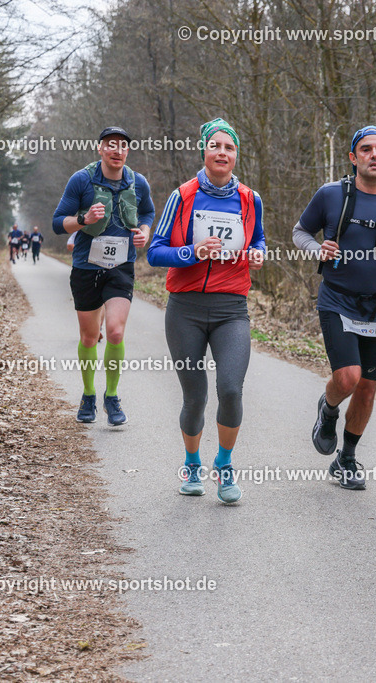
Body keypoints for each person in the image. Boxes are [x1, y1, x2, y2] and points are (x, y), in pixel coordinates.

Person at [147, 118, 265, 503]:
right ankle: (193, 463)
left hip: (232, 308)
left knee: (230, 390)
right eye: (215, 145)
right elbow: (154, 251)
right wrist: (191, 252)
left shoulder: (250, 199)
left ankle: (225, 465)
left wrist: (258, 252)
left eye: (229, 148)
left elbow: (258, 237)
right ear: (204, 150)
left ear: (236, 155)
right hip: (186, 309)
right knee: (195, 397)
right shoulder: (183, 196)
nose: (222, 153)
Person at [294, 125, 376, 490]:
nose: (374, 155)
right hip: (337, 300)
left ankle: (346, 459)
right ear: (353, 158)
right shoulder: (331, 195)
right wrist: (317, 250)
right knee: (347, 377)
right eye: (366, 149)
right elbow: (299, 232)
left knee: (366, 387)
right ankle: (328, 408)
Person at [52, 126, 155, 425]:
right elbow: (59, 223)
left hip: (121, 267)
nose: (117, 150)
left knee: (115, 332)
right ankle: (88, 394)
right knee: (88, 336)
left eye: (123, 146)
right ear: (100, 149)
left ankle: (112, 396)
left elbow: (147, 213)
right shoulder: (81, 180)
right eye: (111, 145)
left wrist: (145, 232)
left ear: (127, 152)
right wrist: (84, 220)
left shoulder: (138, 182)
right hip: (86, 267)